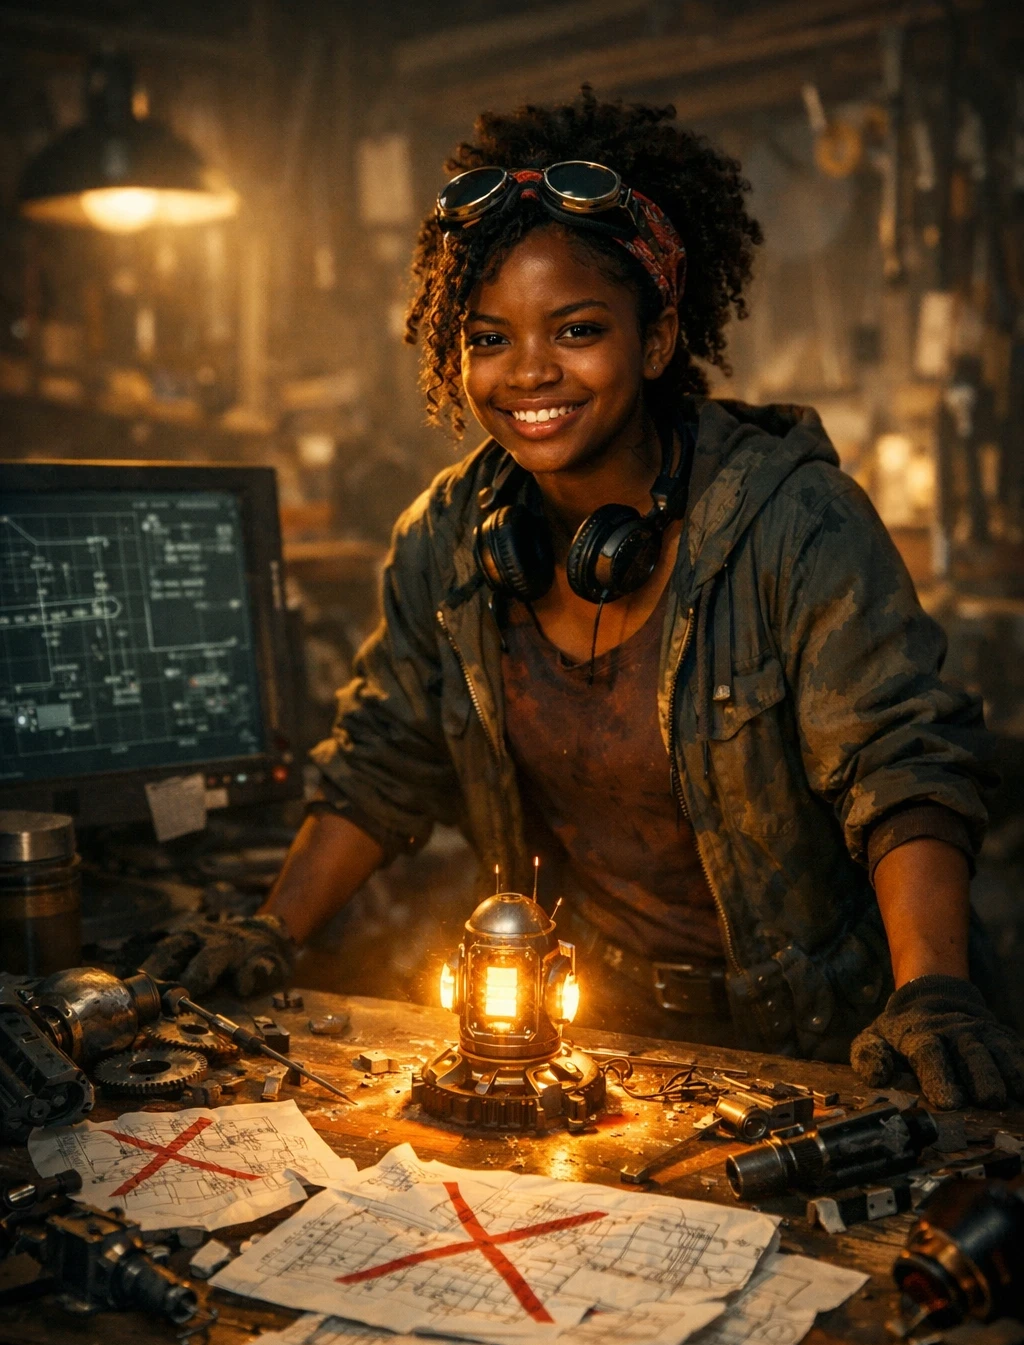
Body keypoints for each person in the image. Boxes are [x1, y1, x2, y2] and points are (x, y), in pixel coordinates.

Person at [144, 90, 1024, 1112]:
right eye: (487, 338)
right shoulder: (443, 538)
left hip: (831, 1042)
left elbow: (898, 764)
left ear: (654, 342)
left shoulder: (796, 521)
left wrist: (933, 996)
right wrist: (269, 930)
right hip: (600, 1039)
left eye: (576, 330)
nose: (527, 373)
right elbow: (384, 760)